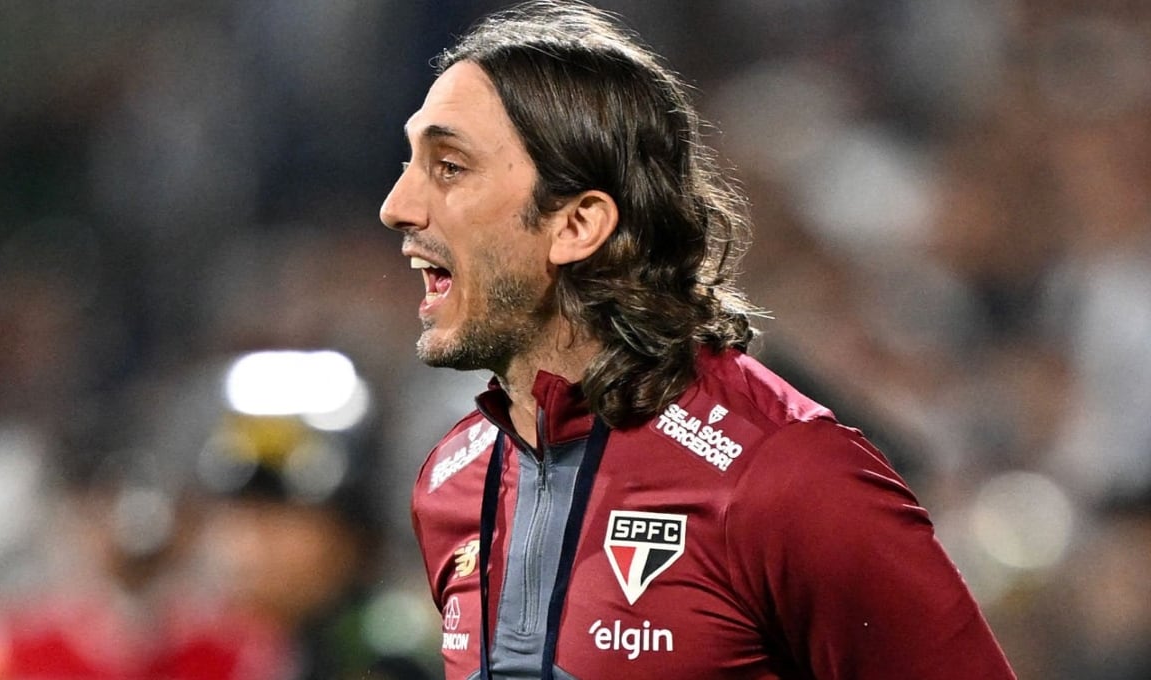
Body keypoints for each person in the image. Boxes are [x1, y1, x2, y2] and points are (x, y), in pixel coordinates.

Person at [378, 1, 1017, 678]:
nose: (397, 206)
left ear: (577, 225)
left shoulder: (786, 478)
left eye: (449, 167)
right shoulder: (451, 482)